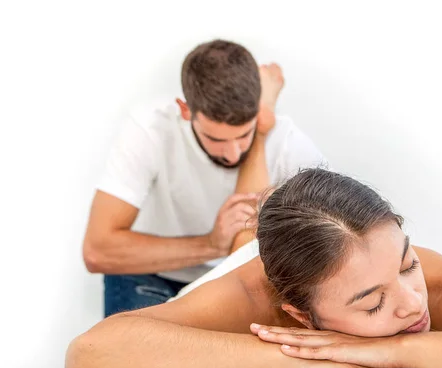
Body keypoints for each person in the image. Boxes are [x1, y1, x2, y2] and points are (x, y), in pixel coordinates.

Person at [66, 165, 442, 368]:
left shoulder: (427, 281)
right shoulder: (251, 299)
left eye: (406, 263)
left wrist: (394, 347)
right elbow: (89, 352)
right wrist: (297, 355)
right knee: (240, 241)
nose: (413, 304)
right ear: (300, 315)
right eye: (372, 304)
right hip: (252, 264)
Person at [82, 39, 327, 317]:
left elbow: (330, 244)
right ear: (186, 111)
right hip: (147, 274)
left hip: (234, 280)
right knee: (130, 357)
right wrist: (211, 245)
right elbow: (98, 251)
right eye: (217, 139)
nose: (234, 153)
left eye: (244, 134)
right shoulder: (150, 130)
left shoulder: (287, 143)